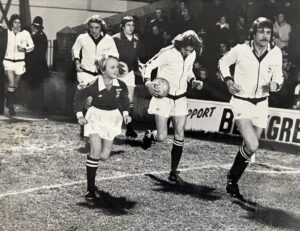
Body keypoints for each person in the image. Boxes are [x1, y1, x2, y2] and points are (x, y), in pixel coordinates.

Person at [218, 17, 284, 200]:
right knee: (253, 144)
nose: (265, 36)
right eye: (261, 32)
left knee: (250, 147)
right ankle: (233, 180)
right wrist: (228, 80)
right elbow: (223, 63)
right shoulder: (241, 50)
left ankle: (232, 178)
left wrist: (276, 85)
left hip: (262, 104)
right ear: (253, 33)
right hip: (241, 101)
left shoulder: (276, 52)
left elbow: (279, 77)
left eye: (268, 32)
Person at [142, 30, 203, 183]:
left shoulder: (192, 53)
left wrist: (193, 80)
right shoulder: (167, 53)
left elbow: (188, 71)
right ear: (181, 44)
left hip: (181, 98)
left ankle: (173, 171)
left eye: (191, 50)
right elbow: (147, 66)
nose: (188, 52)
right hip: (163, 99)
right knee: (162, 137)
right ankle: (151, 135)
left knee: (179, 133)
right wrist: (148, 82)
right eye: (186, 49)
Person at [74, 55, 131, 200]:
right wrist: (80, 115)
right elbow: (79, 97)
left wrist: (125, 113)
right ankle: (90, 190)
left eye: (117, 66)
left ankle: (91, 157)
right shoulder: (93, 84)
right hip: (95, 117)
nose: (116, 69)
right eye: (112, 67)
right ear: (103, 70)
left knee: (104, 156)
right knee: (95, 152)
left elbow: (125, 100)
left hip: (112, 118)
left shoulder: (121, 85)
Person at [72, 15, 119, 138]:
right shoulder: (82, 38)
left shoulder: (108, 39)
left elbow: (115, 55)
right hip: (85, 73)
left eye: (96, 28)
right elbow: (75, 49)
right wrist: (77, 62)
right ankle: (85, 126)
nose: (93, 30)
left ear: (101, 27)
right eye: (91, 27)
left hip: (100, 75)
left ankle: (90, 127)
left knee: (94, 101)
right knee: (88, 99)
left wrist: (106, 58)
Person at [113, 16, 141, 138]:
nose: (131, 27)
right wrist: (116, 68)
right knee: (115, 99)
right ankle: (112, 128)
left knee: (129, 101)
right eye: (128, 25)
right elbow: (110, 56)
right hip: (117, 73)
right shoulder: (115, 39)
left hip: (129, 74)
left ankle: (129, 129)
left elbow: (135, 57)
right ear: (123, 27)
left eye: (132, 25)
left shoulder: (136, 40)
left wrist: (139, 66)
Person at [3, 14, 34, 116]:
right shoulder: (7, 33)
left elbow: (32, 46)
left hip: (20, 62)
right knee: (11, 83)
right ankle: (11, 106)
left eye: (19, 22)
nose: (17, 24)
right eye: (15, 22)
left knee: (15, 85)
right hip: (8, 61)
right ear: (11, 23)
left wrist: (24, 49)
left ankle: (8, 97)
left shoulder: (25, 34)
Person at [25, 16, 48, 110]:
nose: (33, 28)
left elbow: (36, 53)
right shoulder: (40, 36)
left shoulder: (39, 37)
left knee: (36, 86)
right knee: (36, 86)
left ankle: (35, 106)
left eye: (35, 27)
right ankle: (34, 105)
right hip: (38, 67)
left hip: (37, 67)